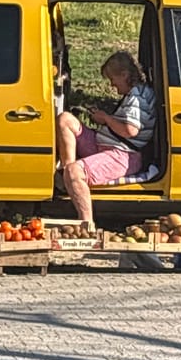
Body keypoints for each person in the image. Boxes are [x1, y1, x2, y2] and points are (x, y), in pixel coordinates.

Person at [55, 50, 156, 227]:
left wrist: (106, 119)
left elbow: (130, 130)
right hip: (106, 143)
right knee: (65, 120)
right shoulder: (134, 93)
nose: (112, 85)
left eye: (112, 79)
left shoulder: (137, 97)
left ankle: (87, 223)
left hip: (123, 154)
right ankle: (66, 177)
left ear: (124, 75)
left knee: (75, 171)